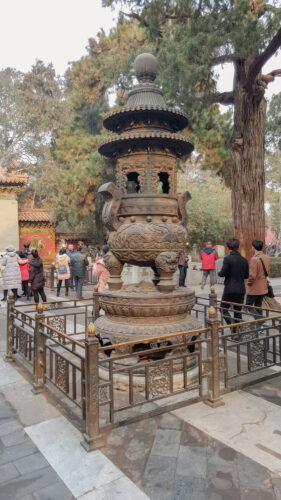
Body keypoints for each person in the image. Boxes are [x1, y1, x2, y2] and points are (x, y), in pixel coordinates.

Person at [218, 238, 249, 328]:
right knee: (237, 312)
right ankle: (237, 333)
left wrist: (219, 273)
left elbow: (222, 273)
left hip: (230, 289)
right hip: (240, 289)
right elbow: (246, 276)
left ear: (228, 248)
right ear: (238, 247)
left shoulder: (227, 259)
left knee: (223, 309)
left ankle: (232, 326)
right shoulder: (244, 260)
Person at [246, 240, 270, 319]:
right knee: (258, 306)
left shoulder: (254, 259)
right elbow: (268, 272)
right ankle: (261, 325)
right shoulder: (266, 257)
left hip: (254, 288)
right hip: (263, 287)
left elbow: (252, 275)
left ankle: (262, 321)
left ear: (253, 247)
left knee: (248, 306)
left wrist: (248, 283)